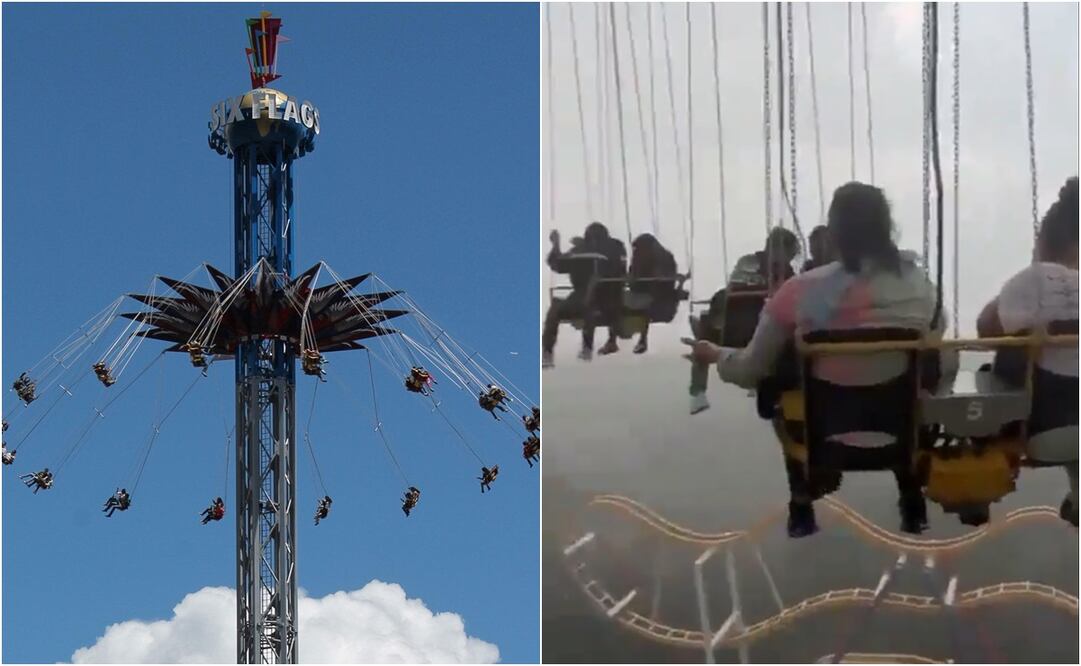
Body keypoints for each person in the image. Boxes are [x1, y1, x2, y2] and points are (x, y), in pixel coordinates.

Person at [688, 182, 951, 537]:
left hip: (820, 431)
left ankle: (801, 497)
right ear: (886, 228)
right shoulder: (920, 287)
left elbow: (750, 369)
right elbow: (939, 332)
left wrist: (715, 354)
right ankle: (909, 491)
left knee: (778, 379)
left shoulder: (801, 290)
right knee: (927, 364)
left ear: (835, 233)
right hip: (901, 427)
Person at [977, 176, 1079, 526]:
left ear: (1044, 239)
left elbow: (986, 329)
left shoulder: (1031, 280)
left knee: (995, 373)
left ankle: (979, 481)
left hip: (1038, 430)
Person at [688, 227, 800, 415]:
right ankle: (698, 390)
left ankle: (700, 388)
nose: (788, 259)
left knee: (706, 334)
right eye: (789, 253)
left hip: (758, 332)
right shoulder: (751, 263)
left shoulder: (785, 273)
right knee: (706, 335)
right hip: (742, 326)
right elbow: (738, 287)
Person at [542, 223, 627, 366]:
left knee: (571, 307)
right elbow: (560, 264)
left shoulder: (584, 250)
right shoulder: (609, 248)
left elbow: (557, 264)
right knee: (582, 305)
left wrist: (556, 245)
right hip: (599, 296)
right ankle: (581, 348)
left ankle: (549, 352)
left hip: (602, 294)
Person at [625, 233, 679, 354]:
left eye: (638, 249)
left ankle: (643, 339)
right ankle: (617, 337)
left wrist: (656, 279)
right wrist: (631, 278)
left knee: (645, 306)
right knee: (621, 301)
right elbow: (632, 274)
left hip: (659, 294)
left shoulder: (663, 257)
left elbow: (664, 278)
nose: (636, 251)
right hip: (641, 292)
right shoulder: (639, 258)